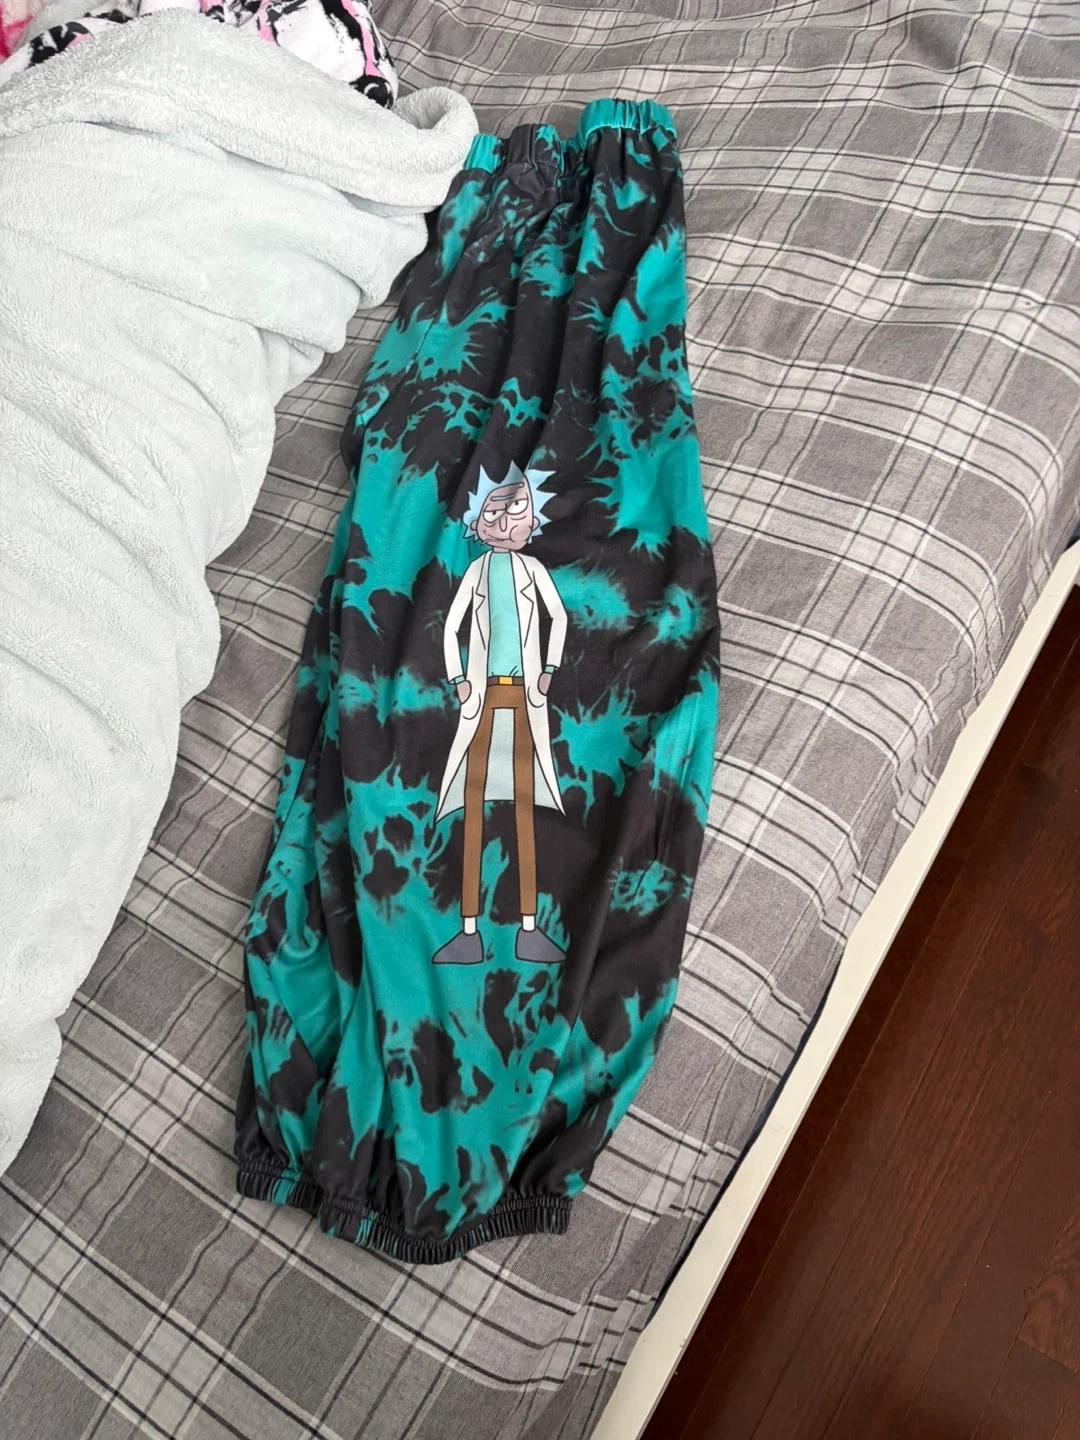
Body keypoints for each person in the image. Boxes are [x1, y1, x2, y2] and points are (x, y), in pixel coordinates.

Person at [433, 462, 568, 965]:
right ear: (478, 522)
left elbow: (559, 616)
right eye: (494, 513)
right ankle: (468, 931)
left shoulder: (533, 570)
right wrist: (459, 680)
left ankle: (528, 928)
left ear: (533, 521)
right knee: (474, 805)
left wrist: (549, 670)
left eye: (516, 511)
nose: (505, 521)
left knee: (522, 809)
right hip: (484, 698)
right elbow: (452, 627)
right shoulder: (476, 571)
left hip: (524, 699)